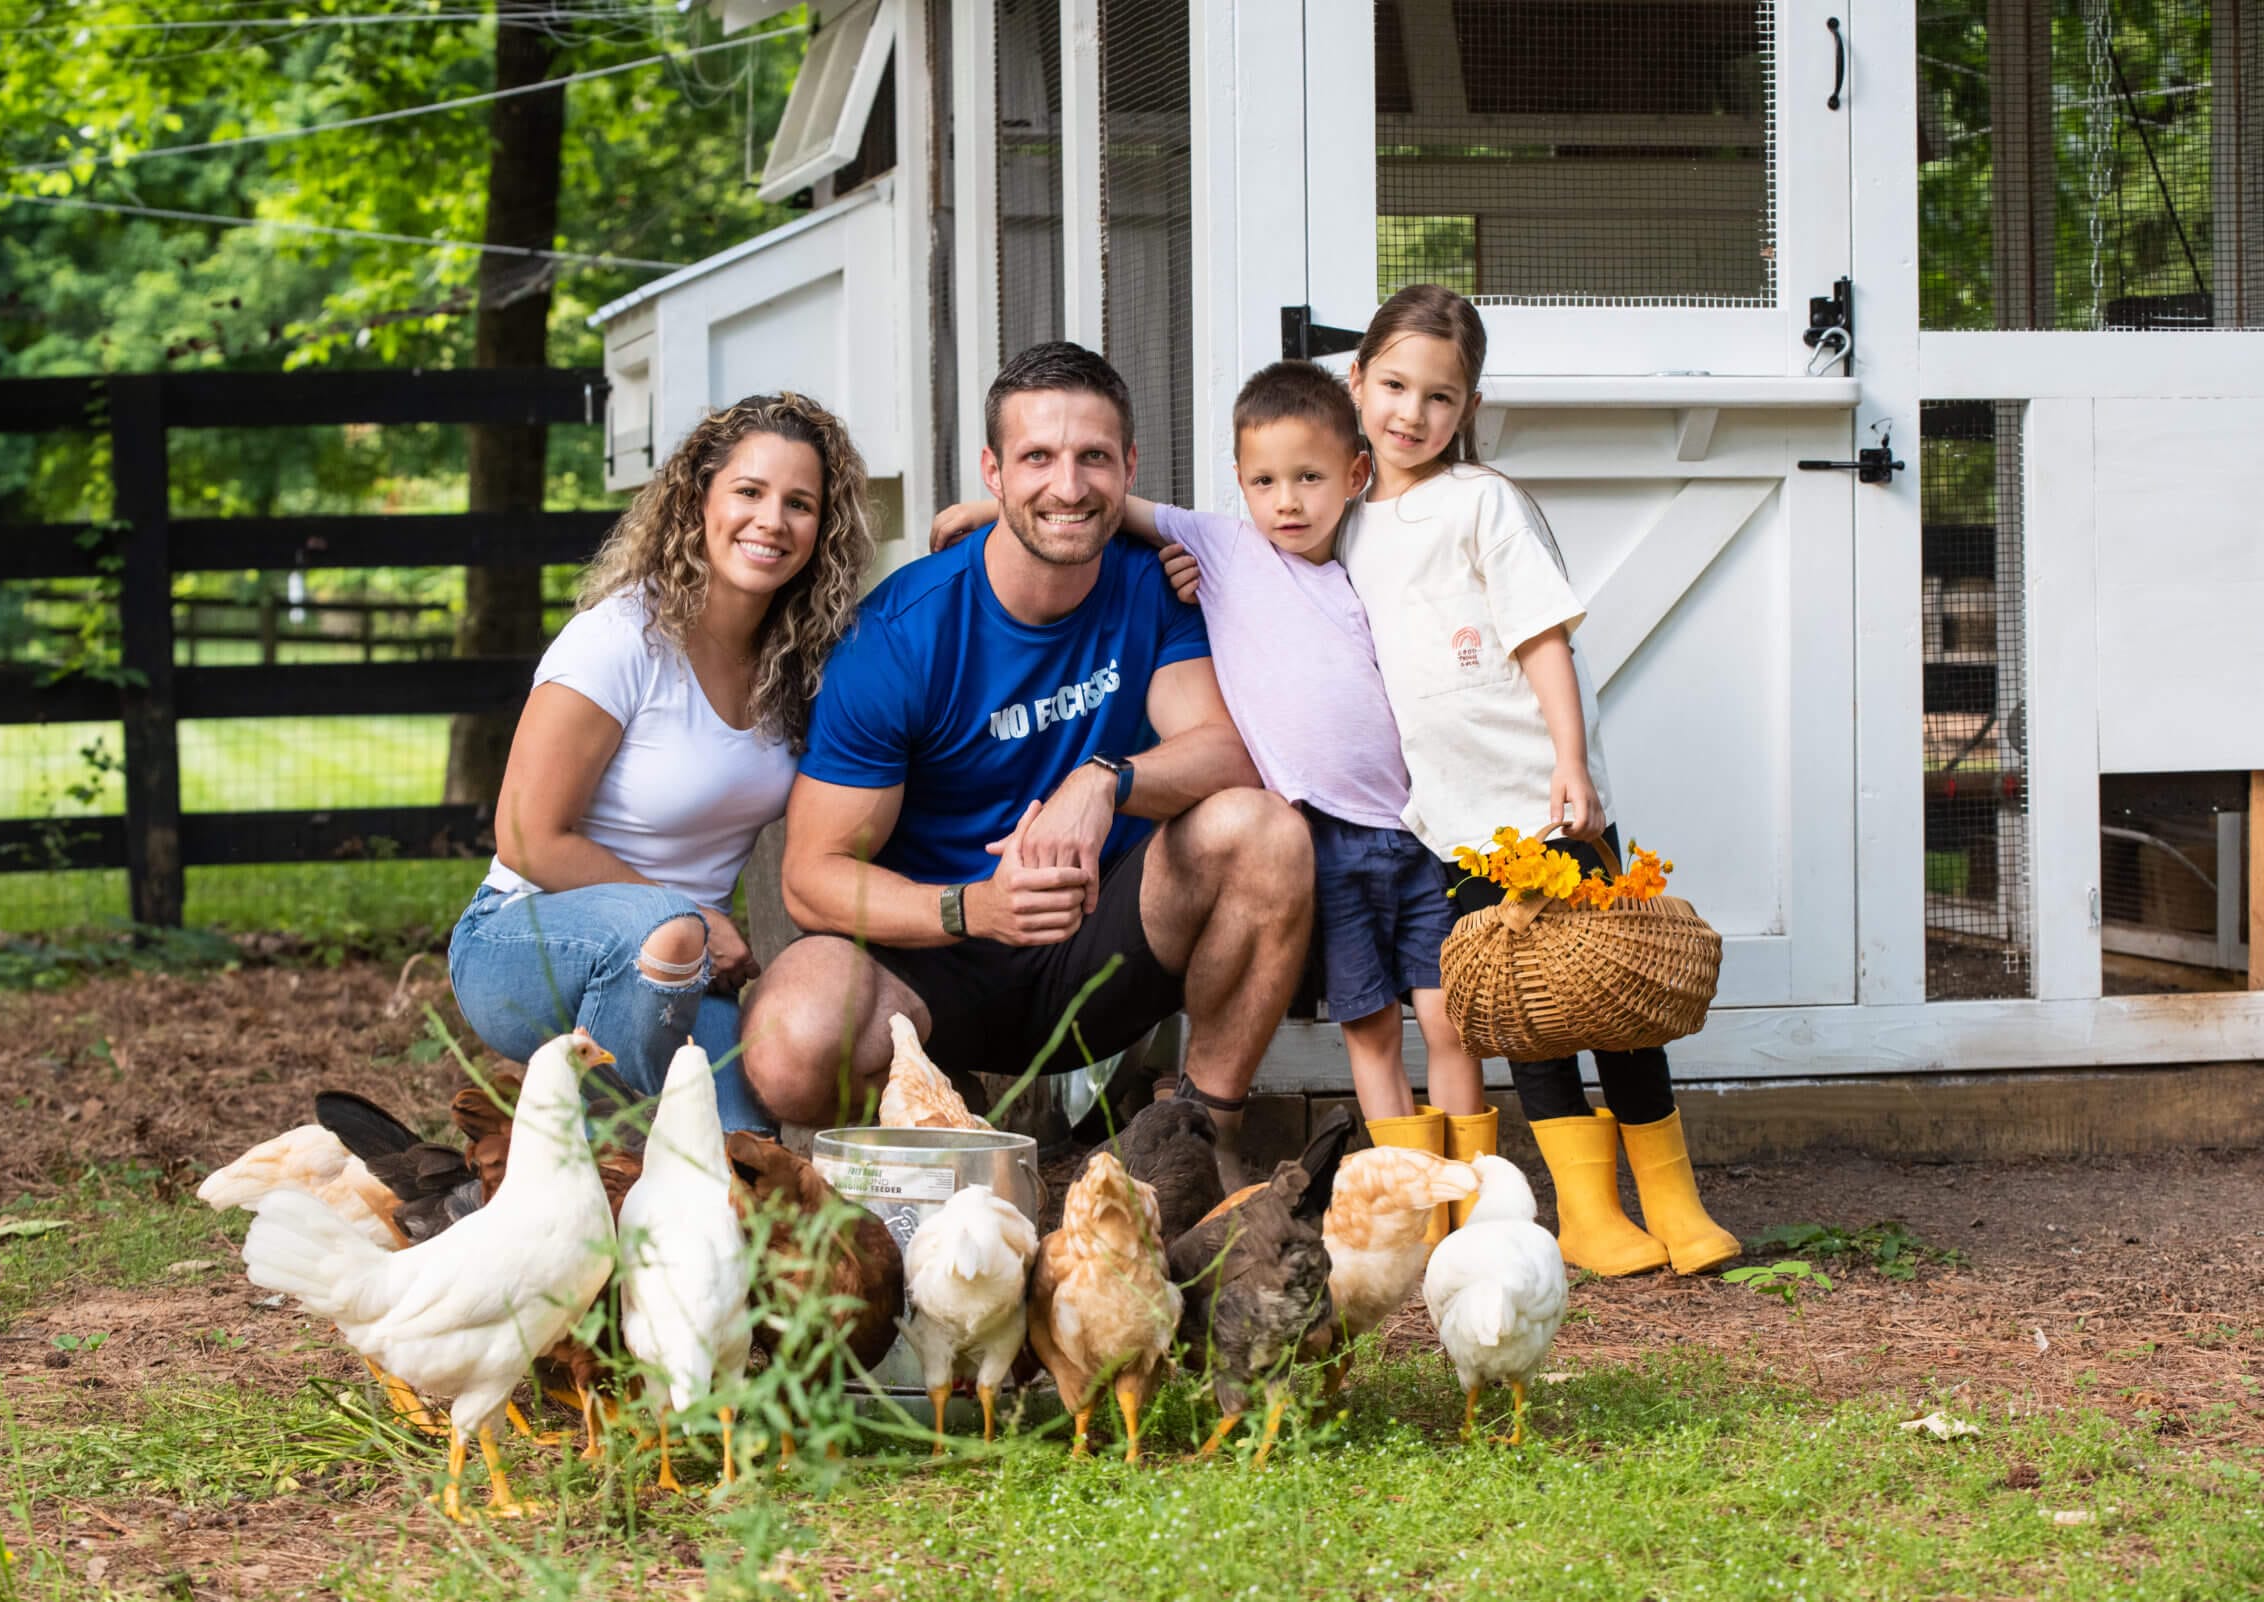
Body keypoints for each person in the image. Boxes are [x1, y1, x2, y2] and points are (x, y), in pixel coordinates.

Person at [931, 360, 1489, 1237]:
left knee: (1448, 1022)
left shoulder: (1371, 558)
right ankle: (1412, 1209)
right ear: (1239, 483)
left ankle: (1474, 1202)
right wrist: (986, 512)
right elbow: (1117, 511)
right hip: (1326, 842)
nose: (1287, 503)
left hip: (1415, 831)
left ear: (1354, 476)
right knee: (1372, 1028)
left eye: (1310, 479)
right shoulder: (1225, 550)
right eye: (1265, 482)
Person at [739, 342, 1315, 1185]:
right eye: (1038, 457)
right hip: (934, 963)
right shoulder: (898, 637)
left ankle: (1202, 1137)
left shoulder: (1155, 585)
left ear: (1129, 468)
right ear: (994, 473)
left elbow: (1227, 750)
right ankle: (933, 1113)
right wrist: (973, 908)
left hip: (1106, 942)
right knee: (788, 1040)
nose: (1069, 486)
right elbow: (810, 880)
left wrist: (1103, 780)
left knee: (1265, 832)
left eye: (1093, 458)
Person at [1334, 283, 1741, 1275]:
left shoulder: (1483, 502)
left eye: (1440, 396)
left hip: (1549, 804)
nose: (1412, 413)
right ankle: (1588, 1214)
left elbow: (1541, 637)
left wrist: (1571, 762)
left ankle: (1675, 1202)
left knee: (1613, 997)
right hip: (1458, 823)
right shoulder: (1343, 523)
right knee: (1530, 1011)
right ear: (1357, 381)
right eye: (1395, 385)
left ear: (1467, 408)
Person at [445, 393, 877, 1128]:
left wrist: (985, 532)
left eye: (800, 503)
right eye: (749, 491)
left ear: (823, 528)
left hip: (685, 973)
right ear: (698, 500)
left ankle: (578, 1148)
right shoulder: (619, 639)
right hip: (522, 940)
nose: (772, 520)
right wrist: (696, 917)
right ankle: (590, 1154)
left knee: (745, 1167)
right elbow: (525, 837)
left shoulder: (799, 661)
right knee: (668, 941)